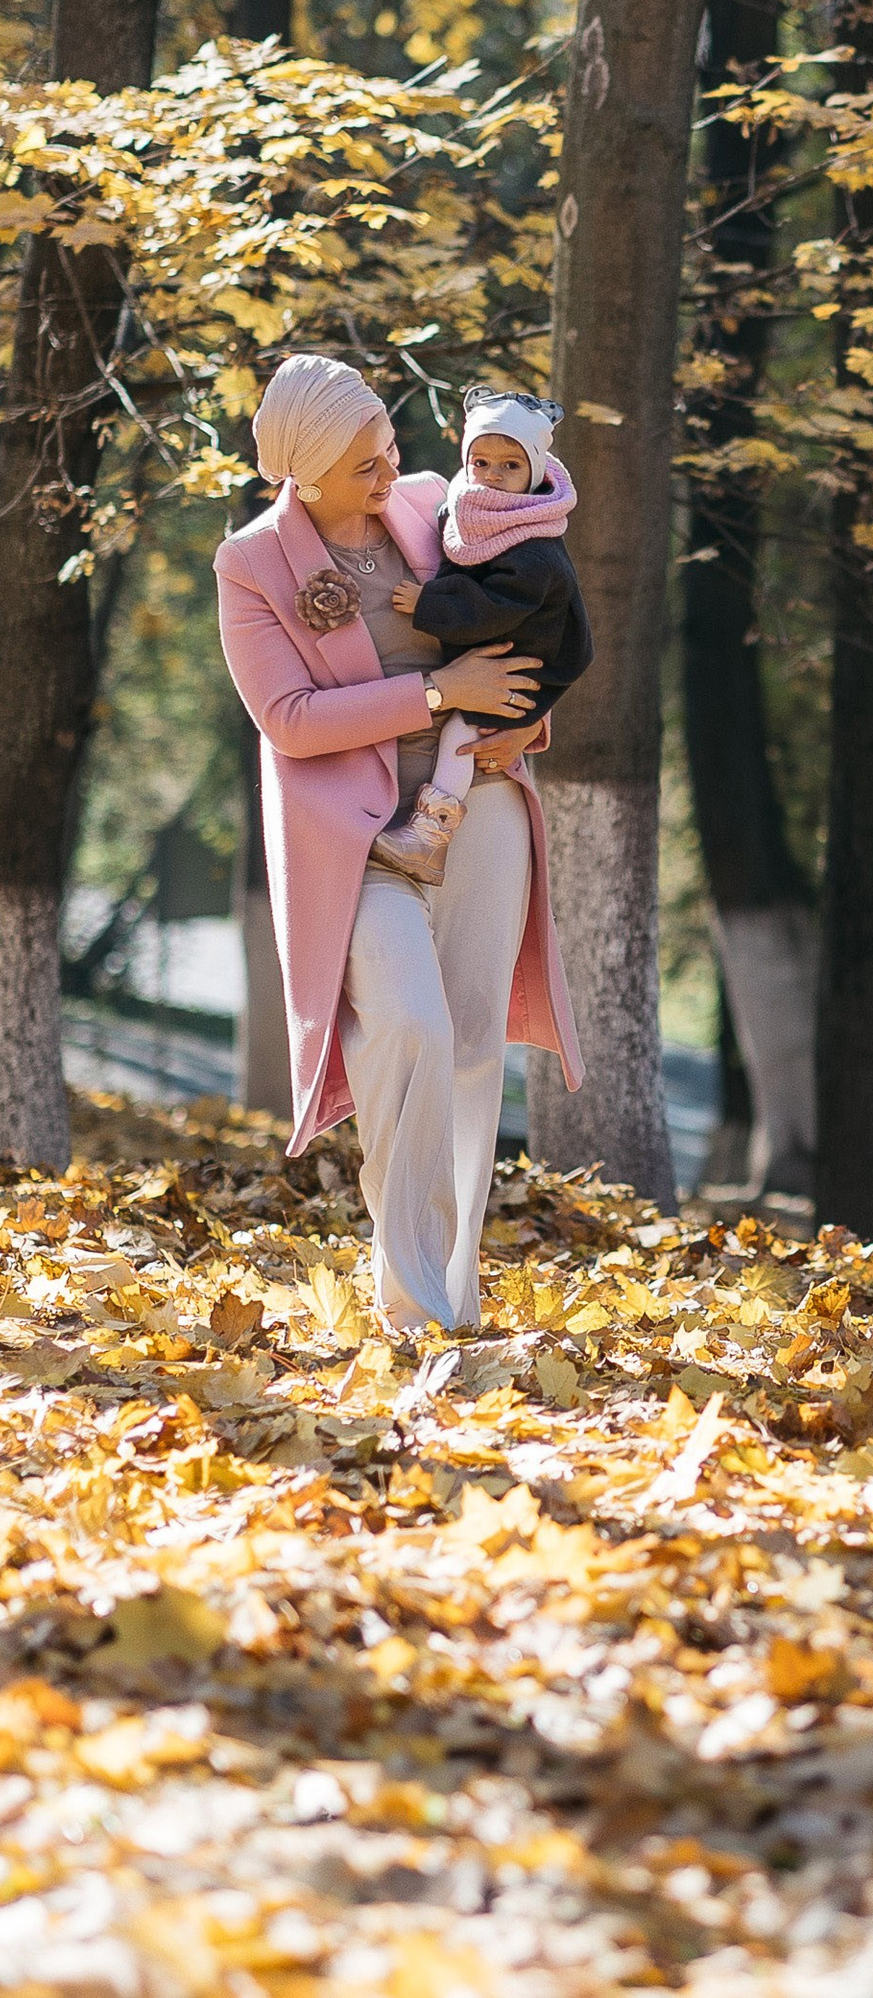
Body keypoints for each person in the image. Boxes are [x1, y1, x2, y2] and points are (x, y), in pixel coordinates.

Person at [215, 353, 584, 1335]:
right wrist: (433, 695)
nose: (389, 474)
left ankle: (444, 1299)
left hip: (482, 812)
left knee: (469, 1045)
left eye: (388, 446)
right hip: (360, 848)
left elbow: (535, 621)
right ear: (305, 473)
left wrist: (524, 725)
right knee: (410, 1028)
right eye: (364, 465)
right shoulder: (253, 563)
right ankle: (410, 1294)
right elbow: (289, 718)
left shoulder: (433, 504)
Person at [370, 387, 594, 886]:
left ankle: (430, 836)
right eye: (481, 461)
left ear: (535, 471)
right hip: (492, 656)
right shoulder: (466, 503)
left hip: (519, 660)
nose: (492, 475)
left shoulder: (534, 546)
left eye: (510, 467)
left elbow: (495, 606)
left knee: (462, 734)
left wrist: (429, 605)